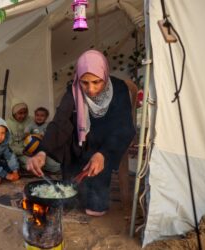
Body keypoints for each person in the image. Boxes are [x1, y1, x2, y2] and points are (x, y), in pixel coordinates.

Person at [26, 50, 135, 216]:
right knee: (70, 196)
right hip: (79, 146)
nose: (90, 89)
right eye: (85, 83)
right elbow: (60, 121)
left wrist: (102, 154)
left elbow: (123, 127)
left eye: (97, 82)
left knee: (95, 208)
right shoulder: (74, 90)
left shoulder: (119, 89)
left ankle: (98, 174)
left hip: (104, 146)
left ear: (104, 74)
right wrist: (42, 152)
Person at [23, 107, 61, 173]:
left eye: (42, 116)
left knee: (54, 161)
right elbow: (26, 132)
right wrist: (28, 135)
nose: (39, 117)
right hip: (33, 147)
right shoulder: (32, 124)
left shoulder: (47, 125)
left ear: (46, 117)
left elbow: (50, 135)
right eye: (37, 115)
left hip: (43, 147)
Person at [6, 98, 33, 167]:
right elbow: (9, 146)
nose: (23, 115)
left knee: (56, 166)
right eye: (20, 113)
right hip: (18, 153)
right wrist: (22, 151)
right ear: (14, 113)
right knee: (34, 164)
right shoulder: (8, 124)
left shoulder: (31, 120)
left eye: (25, 112)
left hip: (32, 150)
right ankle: (18, 163)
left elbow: (37, 133)